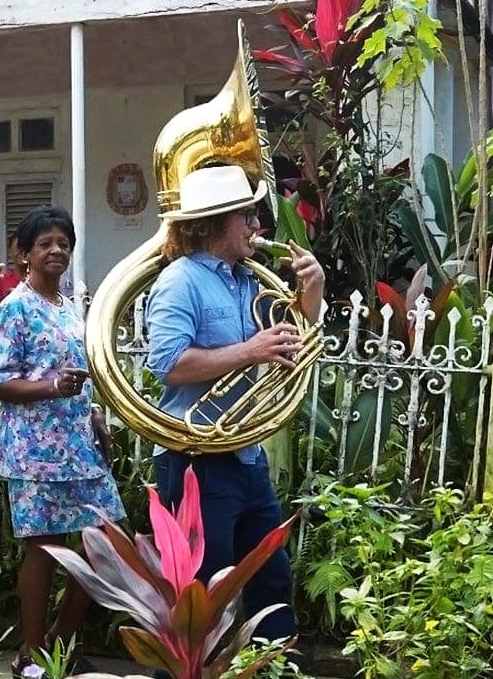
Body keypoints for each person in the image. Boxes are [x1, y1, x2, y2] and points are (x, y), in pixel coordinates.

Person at [144, 165, 323, 647]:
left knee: (271, 581)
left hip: (244, 453)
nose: (257, 227)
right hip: (195, 459)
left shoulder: (247, 280)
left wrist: (312, 294)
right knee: (200, 594)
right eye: (247, 216)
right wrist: (250, 351)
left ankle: (274, 670)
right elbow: (167, 364)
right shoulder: (181, 282)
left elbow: (294, 342)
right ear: (214, 222)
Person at [0, 206, 120, 677]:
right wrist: (50, 388)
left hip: (79, 442)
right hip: (34, 450)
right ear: (25, 254)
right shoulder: (14, 307)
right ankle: (32, 652)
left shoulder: (68, 307)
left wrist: (96, 415)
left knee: (106, 541)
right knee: (43, 547)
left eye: (63, 242)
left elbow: (78, 372)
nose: (57, 250)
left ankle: (60, 640)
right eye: (45, 244)